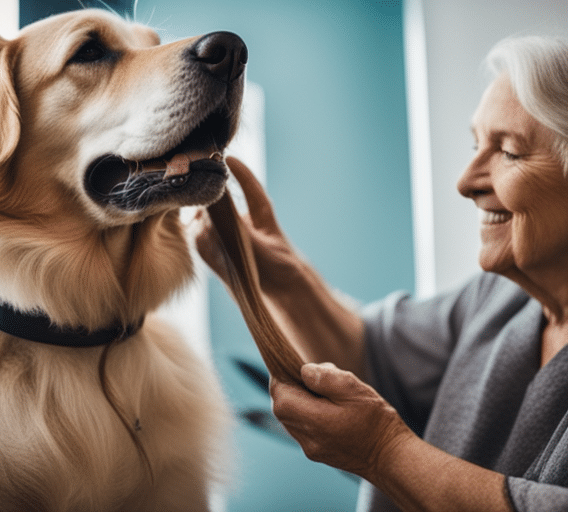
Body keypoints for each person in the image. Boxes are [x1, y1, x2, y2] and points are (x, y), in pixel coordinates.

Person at [195, 35, 568, 511]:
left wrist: (383, 452)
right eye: (477, 145)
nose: (467, 182)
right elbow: (370, 357)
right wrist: (278, 275)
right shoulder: (497, 299)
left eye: (509, 152)